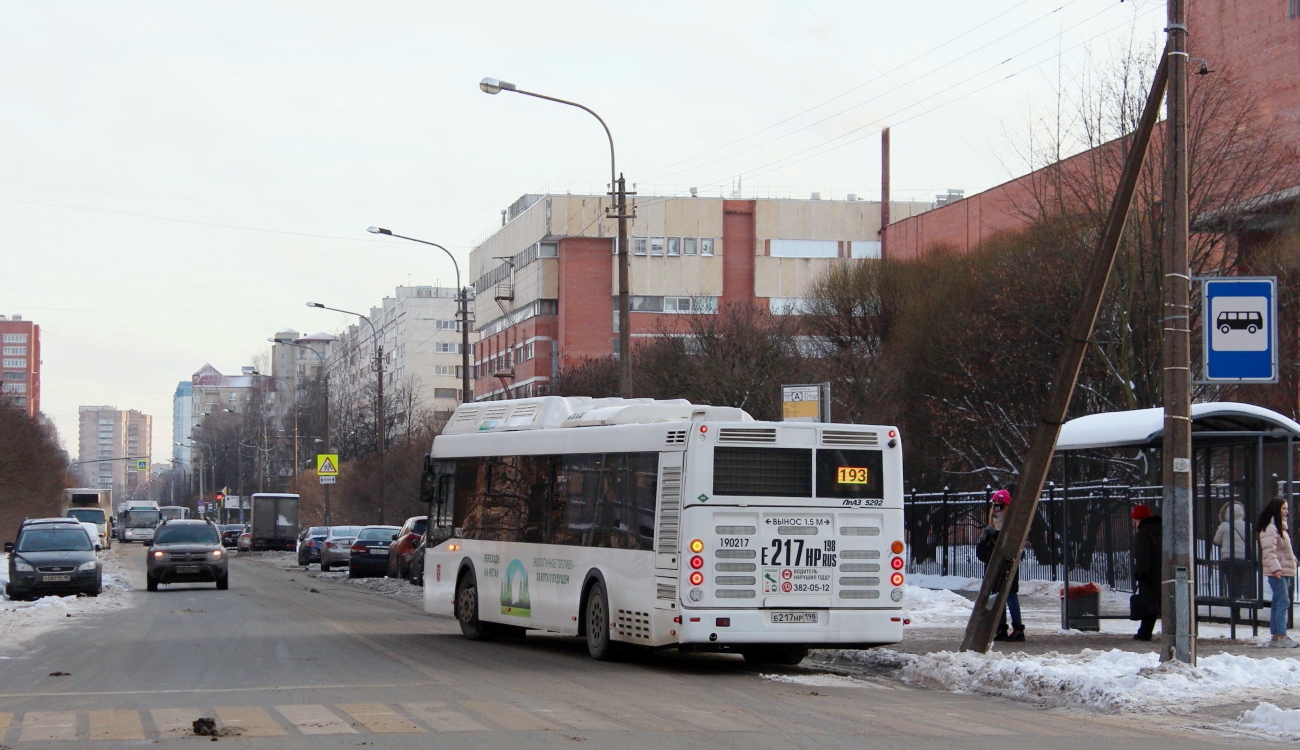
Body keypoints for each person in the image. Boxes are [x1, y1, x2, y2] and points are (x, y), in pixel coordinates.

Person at [980, 488, 1024, 642]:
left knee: (1010, 595)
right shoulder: (992, 524)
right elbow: (982, 554)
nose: (997, 508)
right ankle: (1001, 627)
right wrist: (985, 539)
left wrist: (996, 534)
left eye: (1000, 504)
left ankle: (1018, 628)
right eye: (995, 504)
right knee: (997, 596)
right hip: (995, 564)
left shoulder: (1012, 523)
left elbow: (1011, 544)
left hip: (1008, 563)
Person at [1258, 497, 1298, 648]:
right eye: (1283, 508)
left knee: (1278, 601)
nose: (1286, 511)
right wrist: (1275, 568)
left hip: (1284, 568)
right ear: (1276, 510)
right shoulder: (1271, 528)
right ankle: (1281, 634)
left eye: (1287, 508)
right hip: (1278, 570)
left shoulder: (1279, 527)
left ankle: (1276, 634)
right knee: (1283, 601)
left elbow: (1284, 549)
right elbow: (1269, 550)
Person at [1131, 504, 1162, 641]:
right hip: (1162, 572)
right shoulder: (1161, 529)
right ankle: (1145, 631)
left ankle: (1144, 632)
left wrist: (1141, 572)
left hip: (1150, 573)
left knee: (1149, 603)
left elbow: (1143, 554)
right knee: (1160, 602)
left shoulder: (1143, 532)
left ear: (1138, 519)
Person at [1213, 501, 1252, 600]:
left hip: (1228, 558)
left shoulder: (1224, 526)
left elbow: (1216, 540)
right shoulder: (1248, 525)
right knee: (1241, 580)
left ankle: (1234, 604)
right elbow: (1251, 541)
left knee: (1232, 583)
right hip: (1244, 558)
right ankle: (1243, 596)